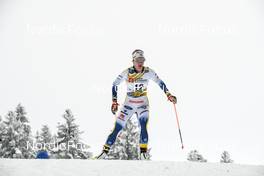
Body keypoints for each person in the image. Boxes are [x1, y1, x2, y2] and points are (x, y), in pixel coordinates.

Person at [96, 49, 177, 160]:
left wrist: (169, 94)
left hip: (142, 103)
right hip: (128, 103)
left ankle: (143, 154)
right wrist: (114, 101)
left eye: (142, 60)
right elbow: (115, 84)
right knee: (117, 128)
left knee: (143, 125)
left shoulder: (149, 72)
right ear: (133, 61)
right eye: (138, 60)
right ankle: (104, 153)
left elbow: (160, 82)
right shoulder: (126, 72)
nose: (140, 62)